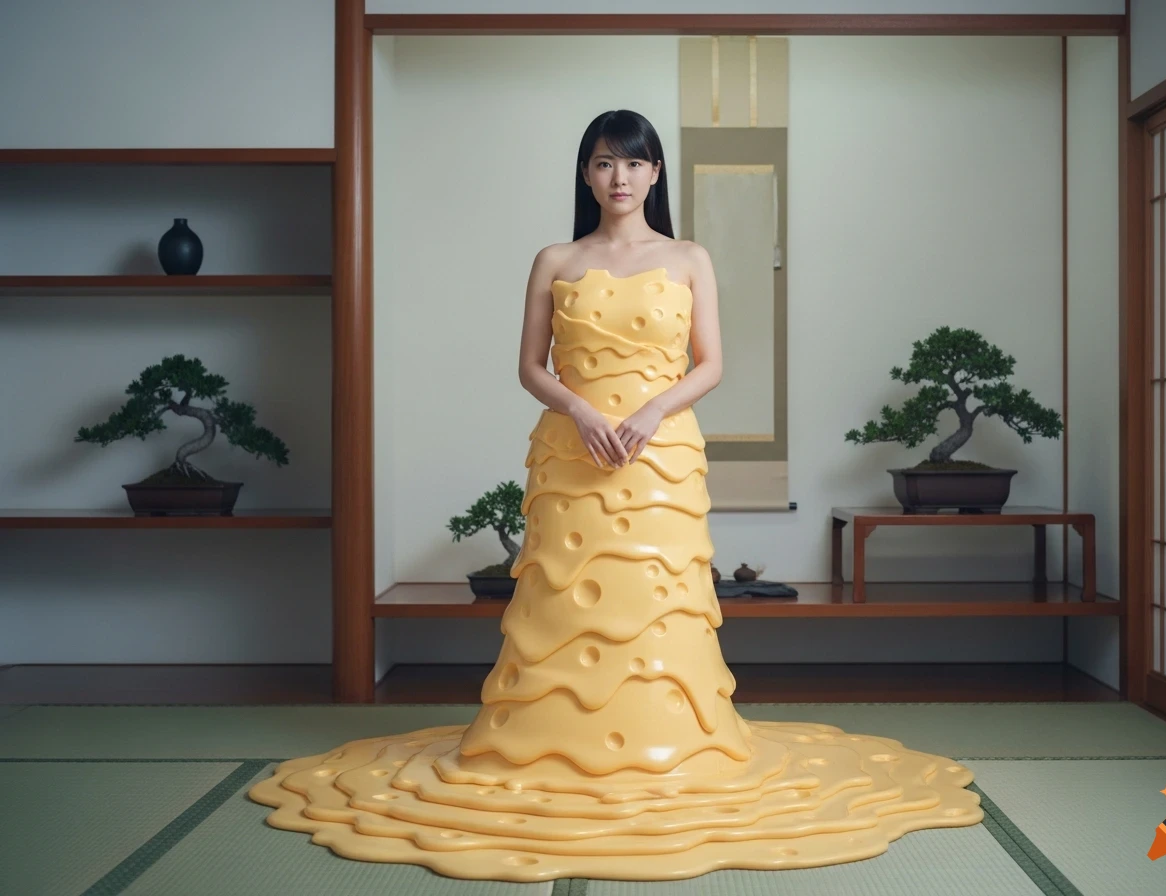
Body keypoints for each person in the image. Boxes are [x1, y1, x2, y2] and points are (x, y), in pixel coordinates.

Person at [248, 110, 982, 882]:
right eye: (603, 164)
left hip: (660, 456)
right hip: (574, 450)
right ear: (587, 174)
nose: (619, 178)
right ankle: (551, 745)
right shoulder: (556, 258)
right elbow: (532, 366)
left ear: (657, 173)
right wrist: (585, 410)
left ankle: (663, 742)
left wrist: (651, 412)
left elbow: (712, 363)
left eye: (633, 164)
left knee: (657, 603)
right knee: (567, 610)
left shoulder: (689, 257)